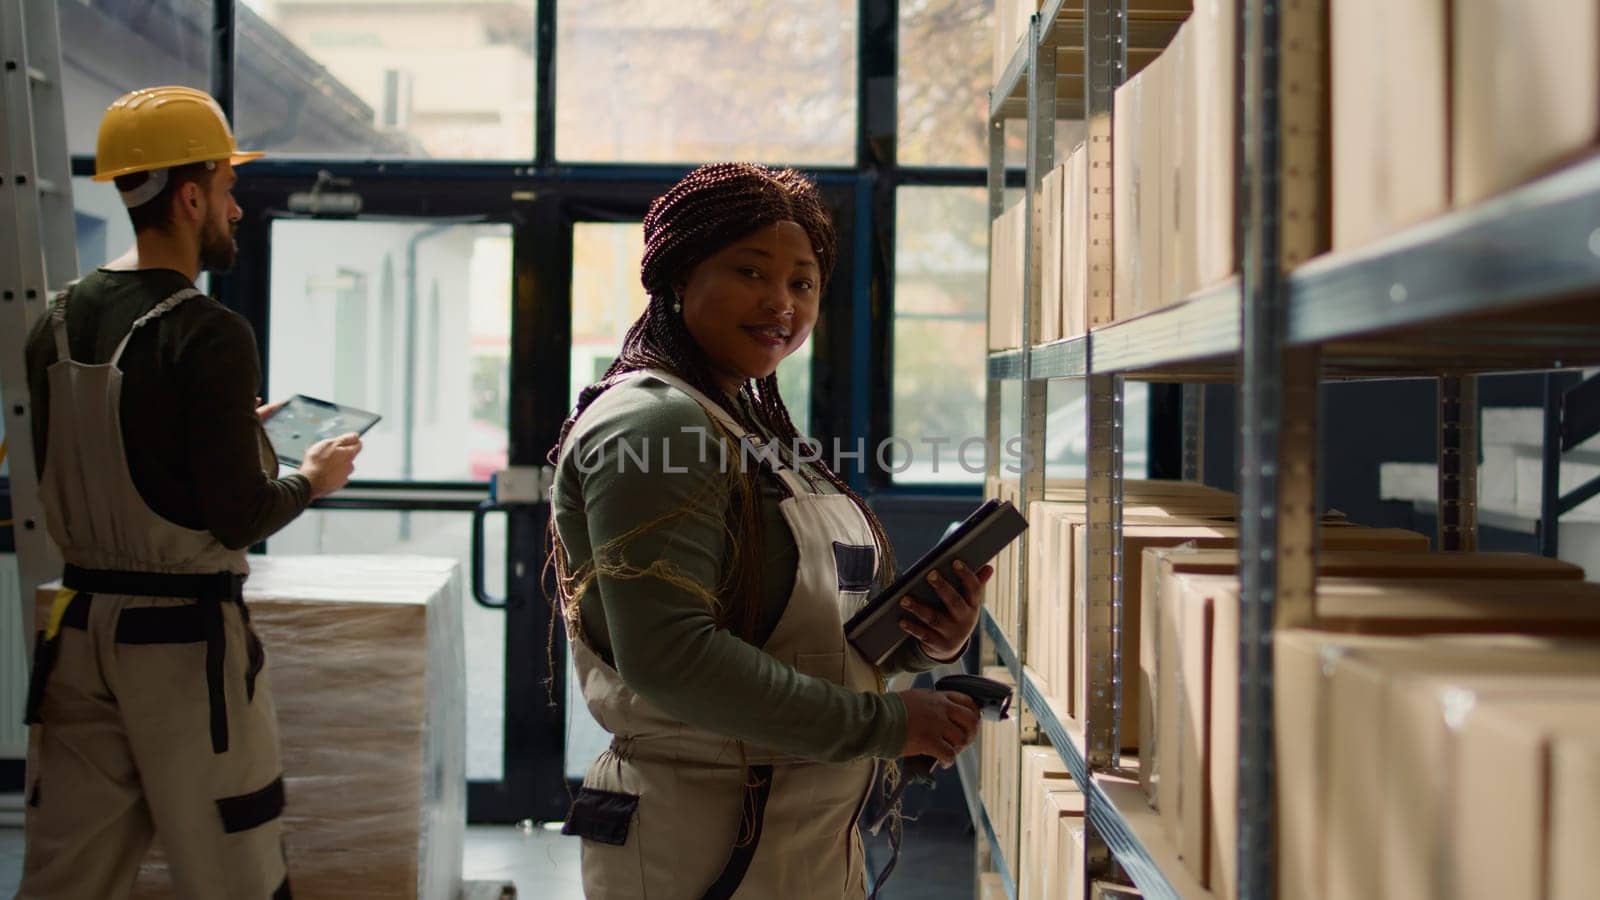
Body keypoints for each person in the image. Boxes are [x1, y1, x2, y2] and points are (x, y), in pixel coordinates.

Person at [549, 162, 991, 899]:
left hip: (798, 835)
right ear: (680, 276)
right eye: (750, 271)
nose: (780, 302)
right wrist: (884, 725)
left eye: (802, 282)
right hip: (701, 845)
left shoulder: (750, 430)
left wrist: (923, 638)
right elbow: (672, 658)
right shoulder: (656, 422)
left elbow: (801, 634)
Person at [17, 86, 362, 899]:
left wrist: (225, 428)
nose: (237, 210)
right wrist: (312, 476)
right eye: (229, 190)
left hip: (76, 637)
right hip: (181, 651)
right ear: (191, 194)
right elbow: (239, 515)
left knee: (69, 874)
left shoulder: (55, 322)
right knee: (232, 867)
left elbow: (94, 456)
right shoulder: (206, 329)